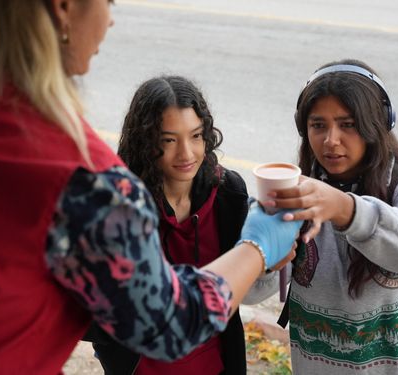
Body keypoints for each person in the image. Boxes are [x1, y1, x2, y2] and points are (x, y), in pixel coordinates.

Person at [0, 1, 301, 374]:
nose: (111, 20)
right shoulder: (86, 183)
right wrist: (259, 244)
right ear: (63, 8)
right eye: (108, 2)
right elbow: (170, 323)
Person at [263, 59, 398, 374]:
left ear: (377, 125)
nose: (331, 140)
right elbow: (255, 290)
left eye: (347, 124)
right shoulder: (296, 197)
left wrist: (345, 210)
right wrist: (266, 250)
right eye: (318, 125)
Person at [87, 75, 277, 374]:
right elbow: (86, 313)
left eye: (196, 136)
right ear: (145, 142)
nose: (187, 154)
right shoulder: (118, 205)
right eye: (169, 140)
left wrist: (272, 253)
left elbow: (248, 289)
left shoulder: (228, 192)